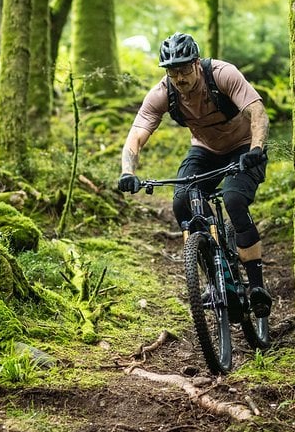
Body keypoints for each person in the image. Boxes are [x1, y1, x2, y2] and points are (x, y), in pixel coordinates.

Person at [117, 32, 272, 318]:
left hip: (243, 148)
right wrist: (128, 171)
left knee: (234, 199)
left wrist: (256, 148)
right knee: (182, 203)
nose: (179, 77)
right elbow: (136, 134)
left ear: (197, 63)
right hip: (205, 150)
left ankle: (257, 288)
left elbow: (258, 112)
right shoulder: (164, 92)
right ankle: (216, 276)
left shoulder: (223, 74)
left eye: (184, 69)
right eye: (172, 71)